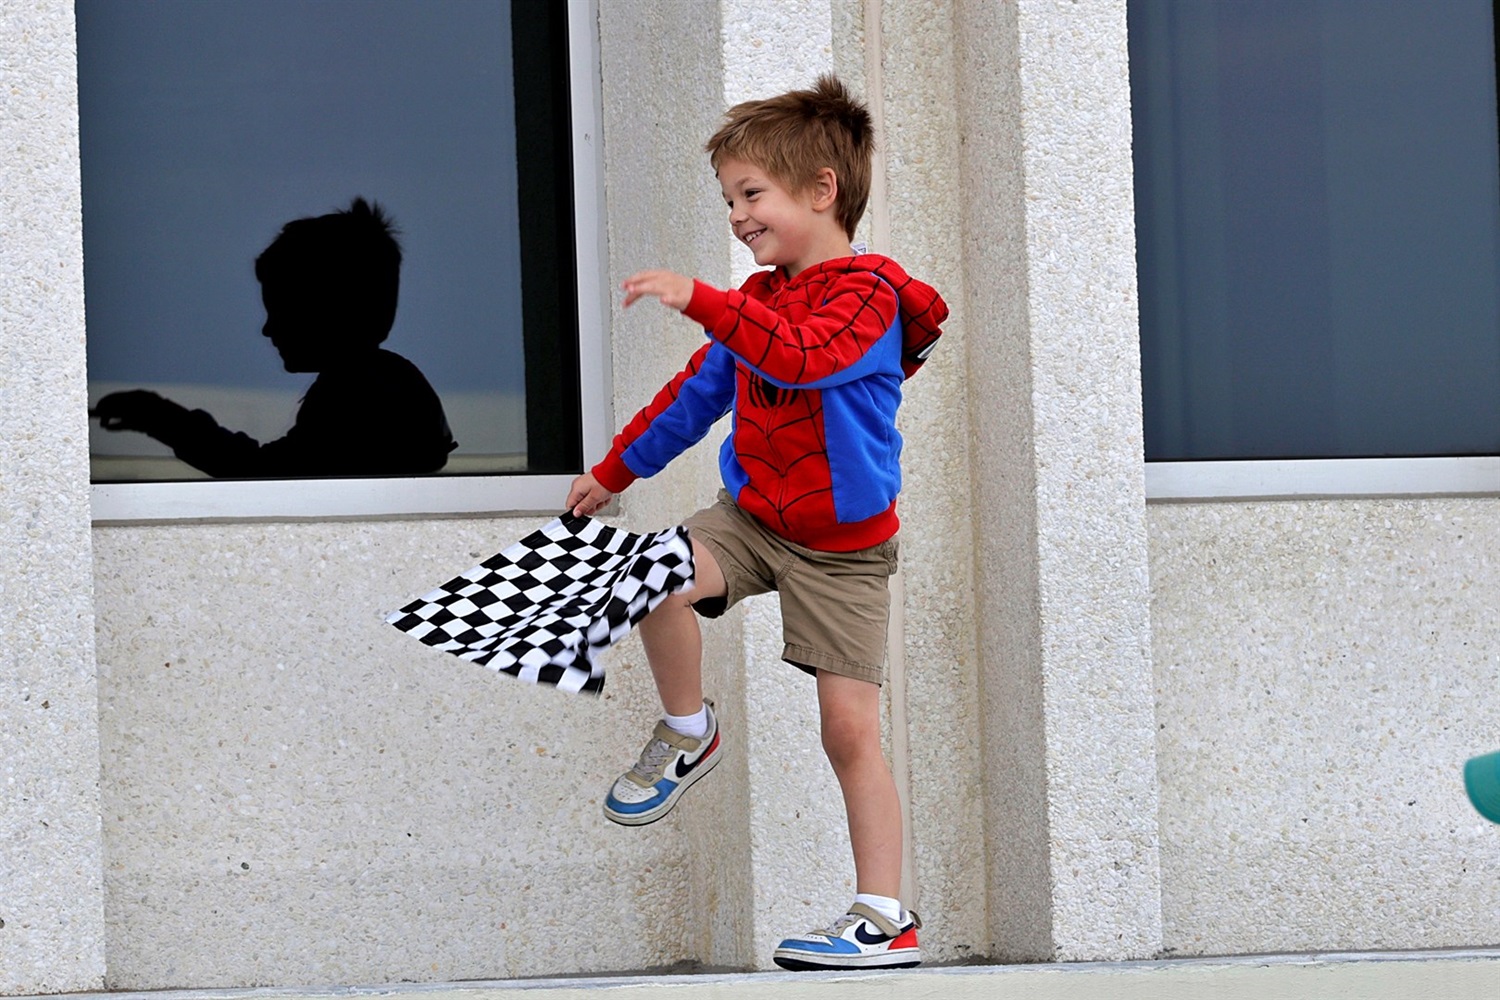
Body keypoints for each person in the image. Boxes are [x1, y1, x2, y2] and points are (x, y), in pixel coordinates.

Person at [565, 75, 948, 971]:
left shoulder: (870, 298)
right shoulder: (760, 302)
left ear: (822, 190)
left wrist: (703, 298)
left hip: (844, 551)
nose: (738, 215)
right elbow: (695, 396)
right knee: (643, 571)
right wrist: (612, 472)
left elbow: (806, 359)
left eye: (752, 195)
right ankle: (689, 731)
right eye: (729, 198)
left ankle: (882, 916)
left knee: (848, 730)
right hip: (754, 517)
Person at [92, 198, 456, 477]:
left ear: (329, 311)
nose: (268, 329)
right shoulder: (384, 381)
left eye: (280, 311)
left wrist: (162, 419)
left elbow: (266, 473)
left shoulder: (362, 389)